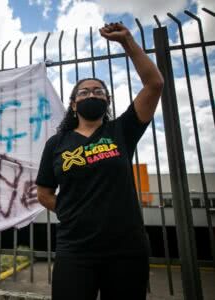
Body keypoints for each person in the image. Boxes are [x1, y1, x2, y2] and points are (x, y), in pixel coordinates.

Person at [36, 22, 164, 300]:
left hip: (126, 250)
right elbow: (43, 193)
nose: (91, 94)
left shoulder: (121, 131)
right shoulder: (56, 144)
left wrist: (127, 41)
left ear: (107, 100)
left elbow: (155, 84)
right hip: (75, 250)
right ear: (73, 104)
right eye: (84, 92)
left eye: (98, 91)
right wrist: (70, 211)